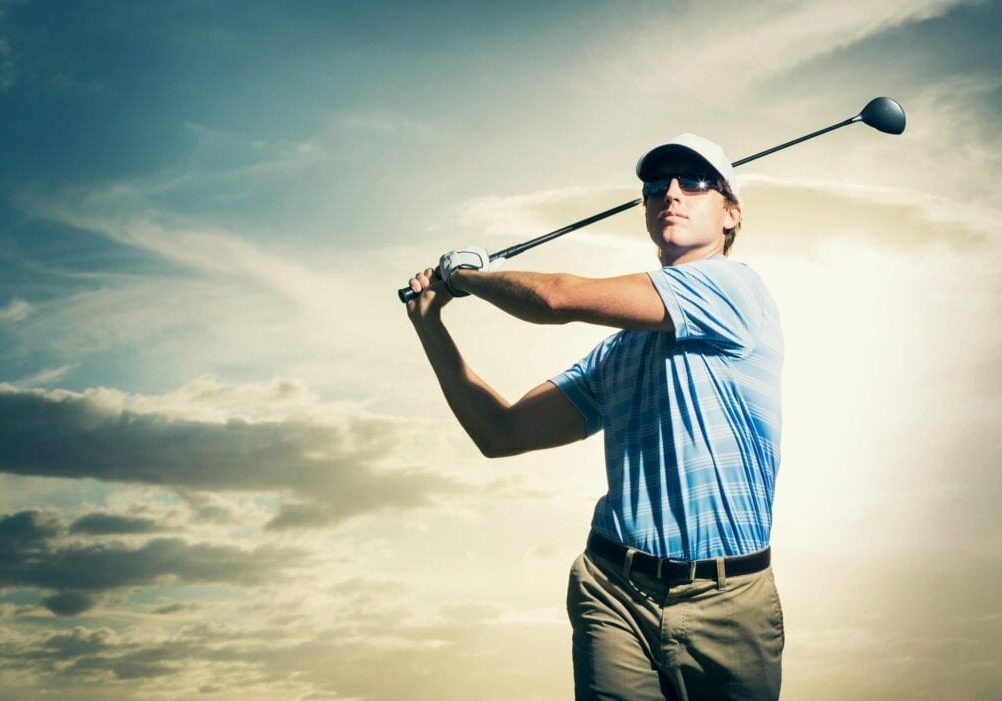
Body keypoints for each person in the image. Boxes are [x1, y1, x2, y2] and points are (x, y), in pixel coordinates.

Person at [405, 133, 784, 701]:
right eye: (656, 187)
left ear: (732, 214)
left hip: (728, 601)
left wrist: (467, 277)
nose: (671, 194)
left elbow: (557, 298)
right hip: (615, 590)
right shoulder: (620, 351)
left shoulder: (734, 291)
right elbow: (501, 432)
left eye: (694, 182)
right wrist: (430, 326)